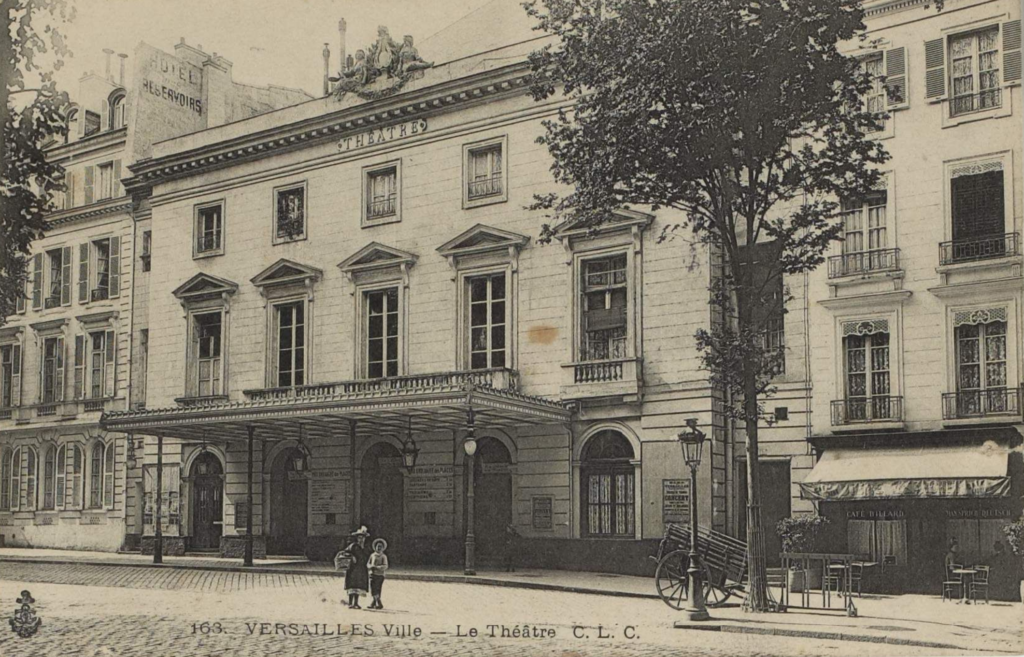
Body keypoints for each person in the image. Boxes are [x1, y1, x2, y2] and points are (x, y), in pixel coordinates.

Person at [342, 526, 371, 609]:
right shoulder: (353, 546)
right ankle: (350, 603)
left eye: (363, 538)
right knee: (352, 585)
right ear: (357, 538)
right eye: (359, 537)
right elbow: (344, 553)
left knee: (358, 585)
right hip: (353, 568)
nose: (361, 539)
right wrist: (352, 557)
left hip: (361, 568)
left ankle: (356, 603)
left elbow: (367, 556)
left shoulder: (366, 547)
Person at [367, 538, 389, 610]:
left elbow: (385, 566)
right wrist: (370, 567)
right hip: (372, 574)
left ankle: (377, 602)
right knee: (372, 588)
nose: (379, 548)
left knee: (377, 589)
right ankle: (375, 601)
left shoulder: (383, 556)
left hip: (380, 575)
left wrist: (377, 567)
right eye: (378, 546)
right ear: (375, 547)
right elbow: (368, 563)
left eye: (380, 547)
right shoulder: (372, 555)